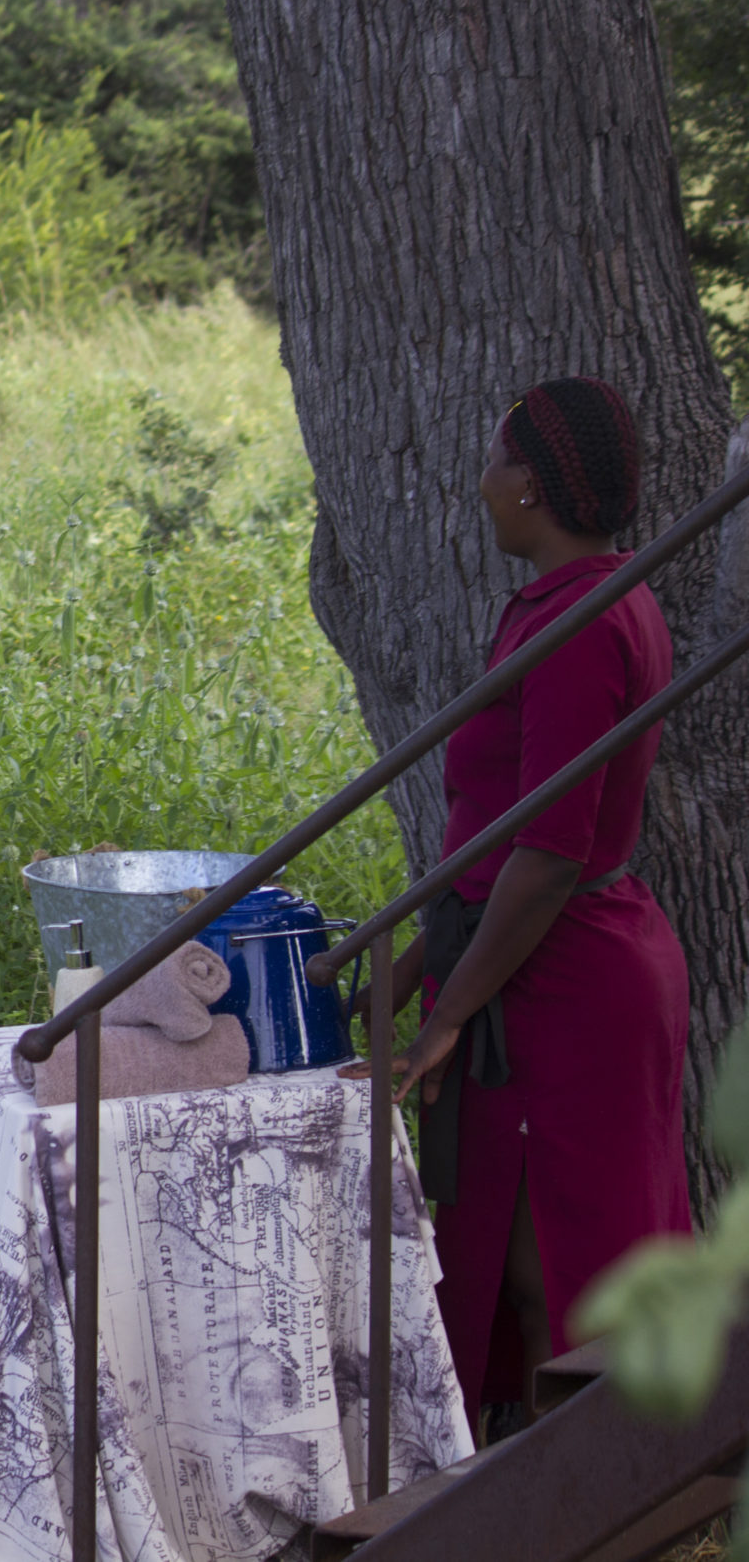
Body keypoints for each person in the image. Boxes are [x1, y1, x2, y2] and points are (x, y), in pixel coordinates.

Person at [345, 376, 691, 1439]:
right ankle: (557, 1498)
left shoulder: (585, 624)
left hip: (566, 978)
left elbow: (545, 853)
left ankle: (581, 1508)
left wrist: (448, 1015)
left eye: (495, 464)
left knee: (560, 1269)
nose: (481, 484)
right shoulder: (567, 602)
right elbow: (496, 832)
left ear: (531, 485)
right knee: (523, 1256)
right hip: (535, 958)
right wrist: (410, 974)